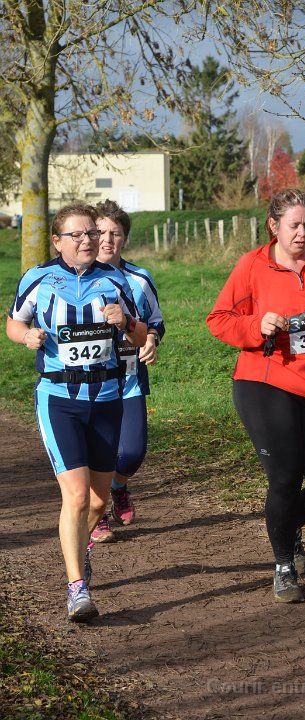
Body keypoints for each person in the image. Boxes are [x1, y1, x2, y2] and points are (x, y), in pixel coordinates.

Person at [206, 188, 305, 603]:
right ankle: (283, 565)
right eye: (294, 225)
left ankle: (287, 523)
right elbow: (219, 319)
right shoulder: (253, 265)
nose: (302, 233)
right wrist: (256, 325)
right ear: (273, 226)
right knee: (284, 477)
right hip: (266, 383)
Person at [6, 203, 147, 622]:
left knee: (98, 501)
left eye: (92, 234)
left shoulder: (115, 279)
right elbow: (13, 322)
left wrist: (126, 323)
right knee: (78, 495)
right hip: (59, 397)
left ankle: (78, 549)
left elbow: (141, 334)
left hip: (107, 397)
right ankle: (77, 588)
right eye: (78, 235)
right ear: (58, 241)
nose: (88, 241)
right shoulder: (38, 278)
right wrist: (26, 336)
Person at [90, 199, 165, 543]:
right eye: (101, 232)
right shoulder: (75, 279)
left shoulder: (139, 279)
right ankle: (97, 512)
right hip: (89, 381)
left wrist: (150, 339)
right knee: (95, 451)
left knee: (132, 452)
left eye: (115, 233)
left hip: (129, 375)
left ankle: (118, 486)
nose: (107, 240)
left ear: (125, 238)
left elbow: (156, 322)